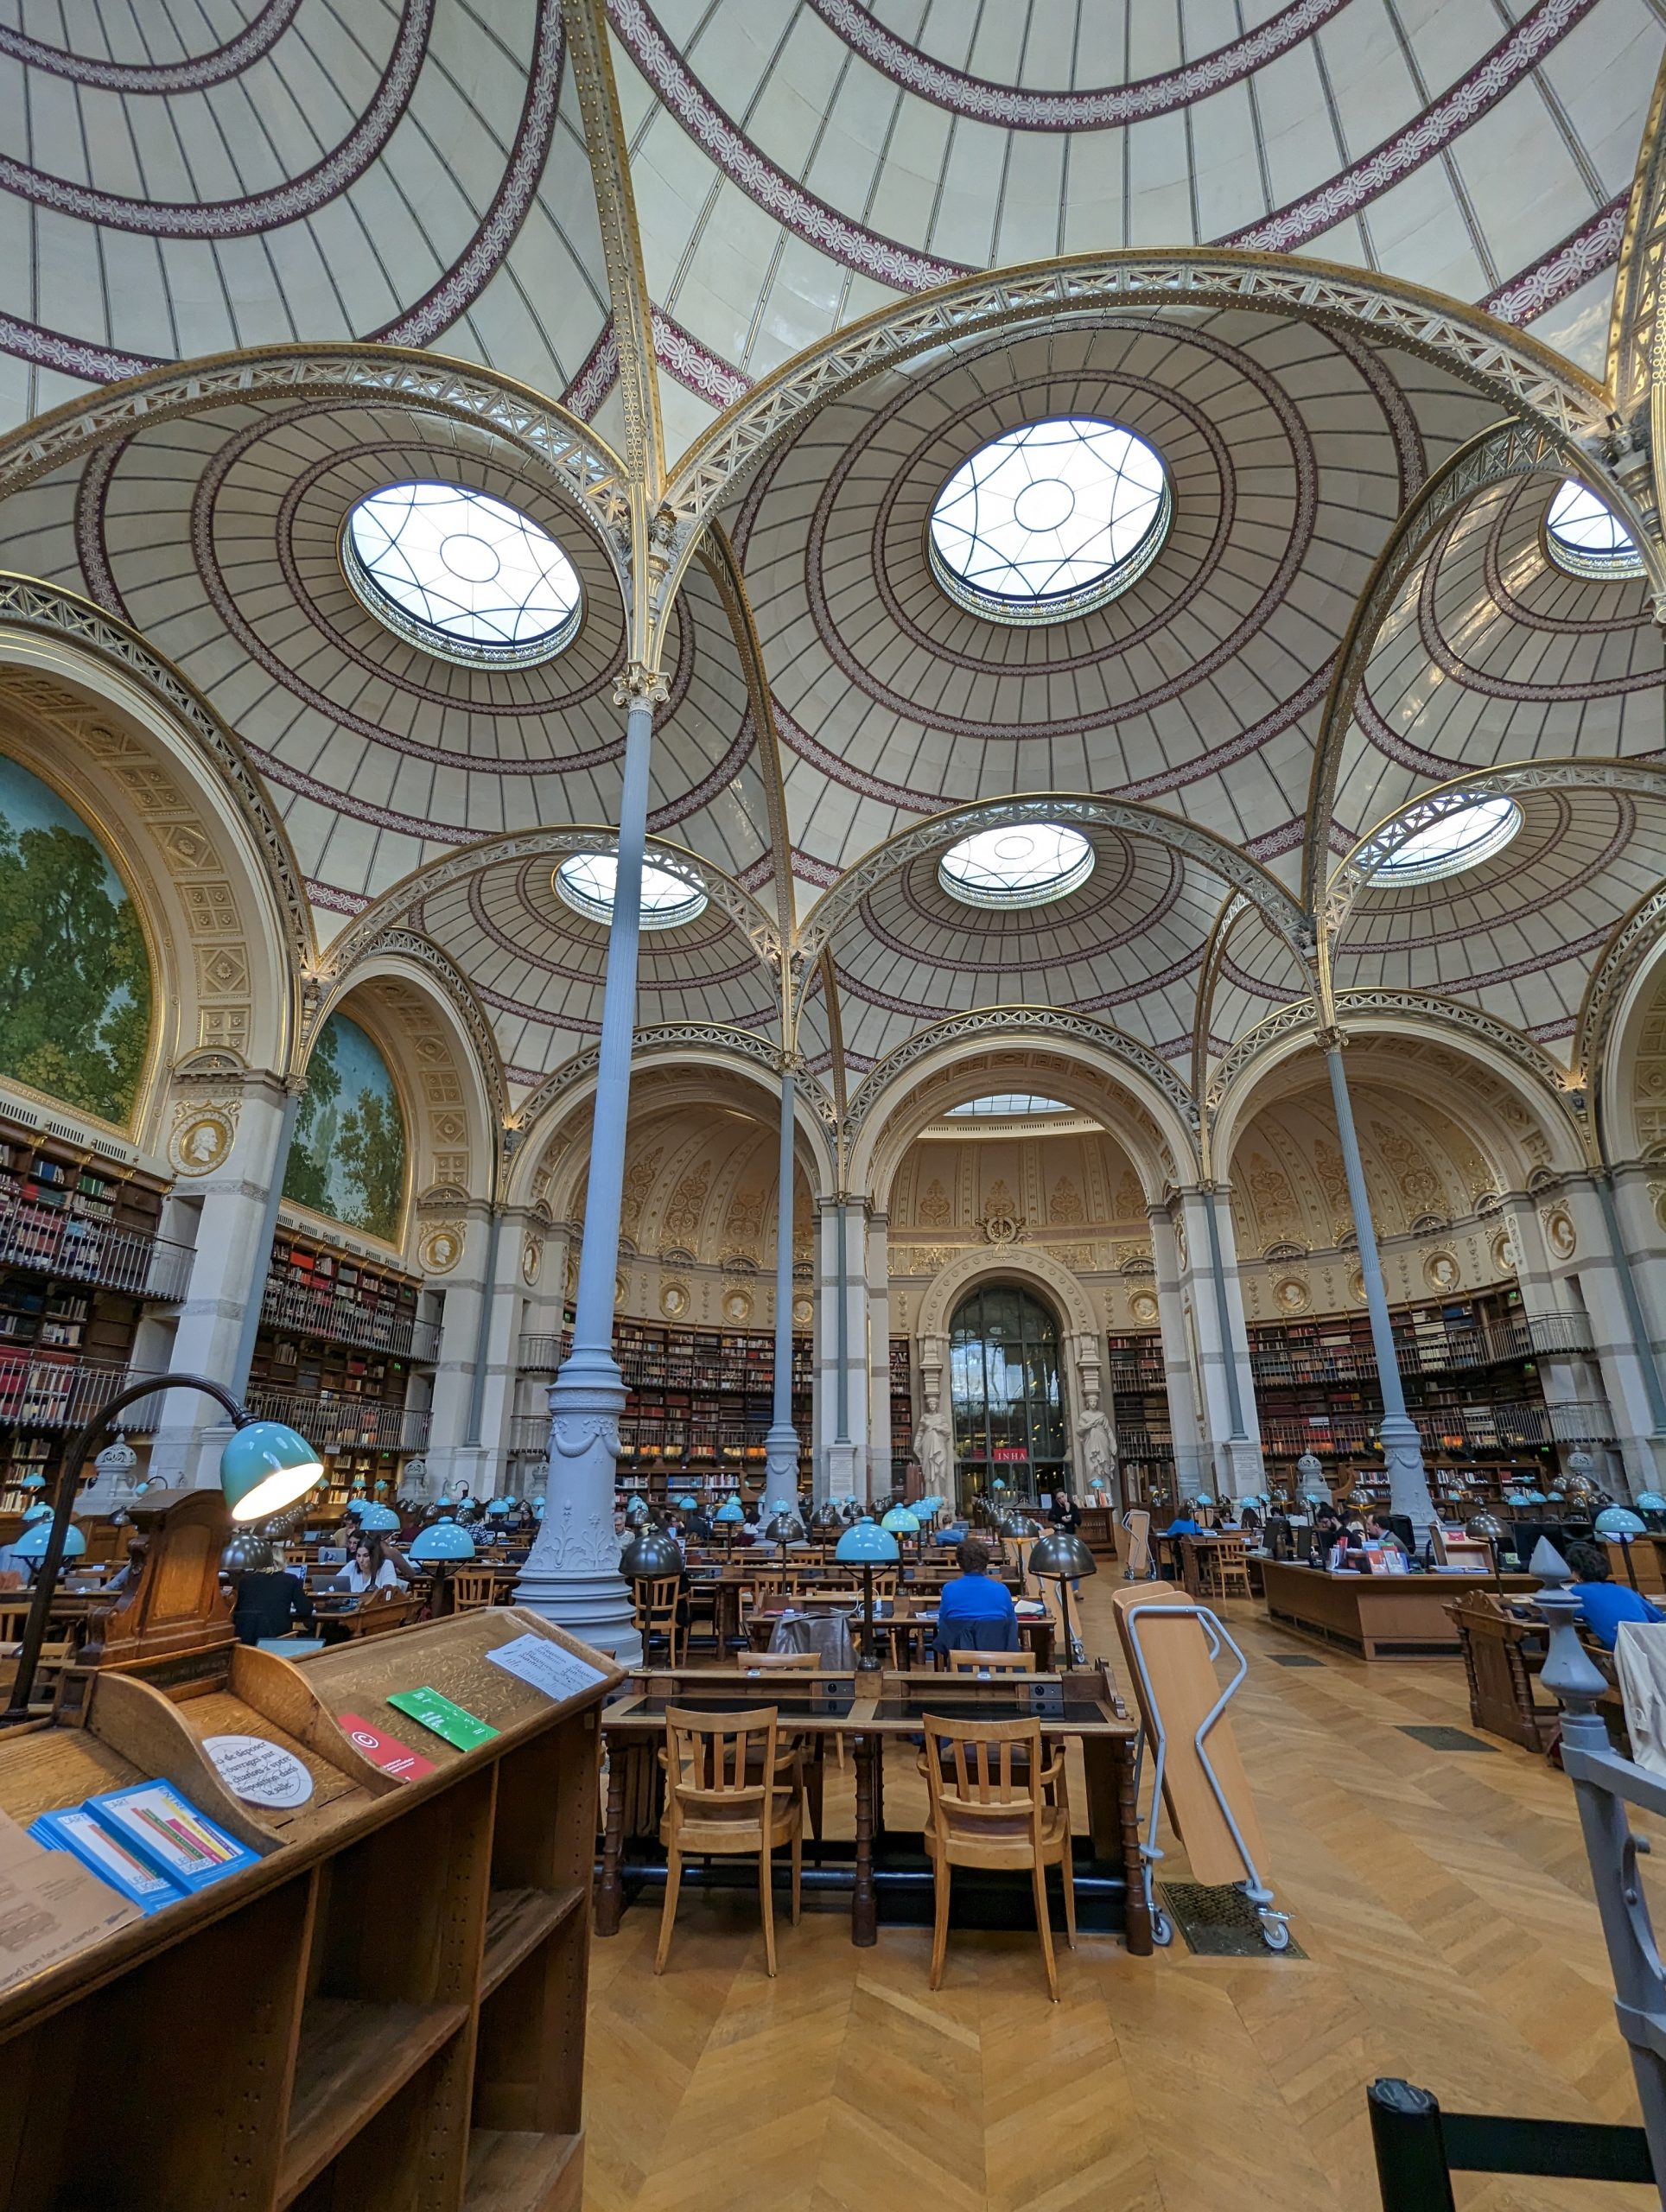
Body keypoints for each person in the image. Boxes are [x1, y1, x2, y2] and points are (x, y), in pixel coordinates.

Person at [1566, 1540, 1664, 1650]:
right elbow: (1660, 1618)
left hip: (1618, 1655)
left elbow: (1551, 1617)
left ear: (1575, 1572)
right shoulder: (1625, 1590)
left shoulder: (1576, 1592)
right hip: (1651, 1653)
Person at [933, 1538, 1019, 1656]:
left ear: (959, 1563)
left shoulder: (949, 1589)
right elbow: (1011, 1626)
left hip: (961, 1662)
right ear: (987, 1562)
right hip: (997, 1661)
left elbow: (942, 1624)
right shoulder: (1002, 1590)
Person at [231, 1566, 316, 1647]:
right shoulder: (290, 1579)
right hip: (277, 1639)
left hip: (246, 1638)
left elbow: (239, 1609)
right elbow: (305, 1610)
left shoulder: (244, 1580)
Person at [332, 1533, 406, 1594]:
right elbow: (334, 1584)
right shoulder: (352, 1565)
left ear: (374, 1556)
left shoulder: (386, 1565)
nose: (361, 1560)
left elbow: (389, 1593)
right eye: (358, 1555)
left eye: (365, 1556)